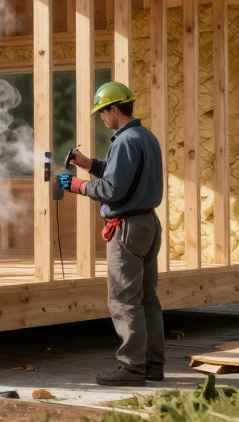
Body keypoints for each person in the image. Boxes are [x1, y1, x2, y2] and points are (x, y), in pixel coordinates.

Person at [65, 81, 165, 387]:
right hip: (148, 224)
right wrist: (89, 164)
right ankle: (152, 365)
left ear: (114, 109)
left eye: (102, 112)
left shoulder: (124, 140)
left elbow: (112, 188)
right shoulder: (144, 136)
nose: (101, 118)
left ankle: (131, 368)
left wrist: (78, 185)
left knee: (123, 299)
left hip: (127, 229)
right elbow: (122, 174)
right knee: (147, 299)